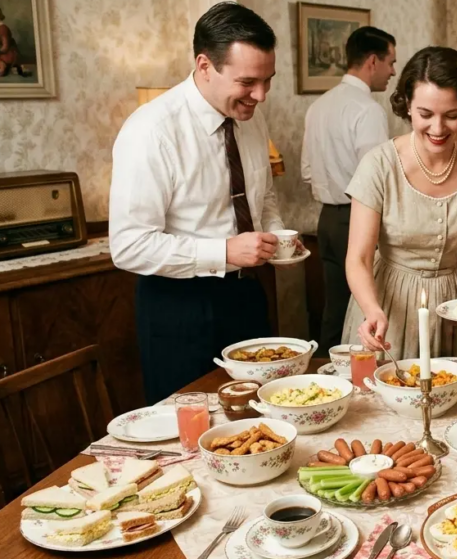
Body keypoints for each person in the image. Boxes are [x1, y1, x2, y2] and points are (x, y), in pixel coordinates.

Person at [109, 2, 292, 404]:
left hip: (247, 296)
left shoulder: (250, 116)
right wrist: (223, 251)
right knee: (192, 429)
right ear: (205, 65)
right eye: (248, 82)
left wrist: (277, 236)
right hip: (179, 307)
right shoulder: (151, 131)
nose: (260, 95)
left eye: (268, 80)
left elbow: (265, 194)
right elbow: (127, 245)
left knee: (261, 419)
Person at [342, 47, 457, 358]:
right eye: (425, 114)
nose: (438, 128)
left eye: (452, 116)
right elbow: (359, 258)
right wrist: (371, 309)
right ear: (407, 105)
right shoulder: (379, 165)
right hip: (388, 303)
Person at [301, 26, 396, 356]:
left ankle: (329, 374)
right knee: (366, 309)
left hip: (325, 220)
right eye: (391, 62)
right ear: (373, 61)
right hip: (359, 219)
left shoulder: (318, 107)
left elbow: (307, 171)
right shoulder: (368, 110)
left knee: (335, 306)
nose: (393, 71)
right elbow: (379, 179)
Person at [0, 6, 27, 77]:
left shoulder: (2, 28)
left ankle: (7, 68)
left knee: (1, 71)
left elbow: (5, 48)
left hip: (7, 55)